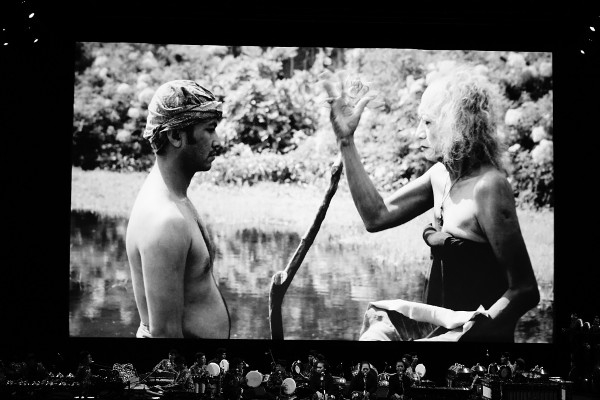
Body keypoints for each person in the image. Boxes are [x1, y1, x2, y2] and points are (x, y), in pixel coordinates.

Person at [321, 65, 540, 342]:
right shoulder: (440, 176)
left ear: (458, 125)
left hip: (475, 341)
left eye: (427, 123)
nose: (417, 133)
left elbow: (525, 290)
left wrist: (464, 336)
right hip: (438, 328)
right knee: (375, 334)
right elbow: (376, 216)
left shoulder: (489, 187)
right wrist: (346, 141)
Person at [126, 79, 230, 338]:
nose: (218, 141)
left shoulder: (175, 199)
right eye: (210, 129)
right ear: (175, 135)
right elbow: (165, 337)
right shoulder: (165, 221)